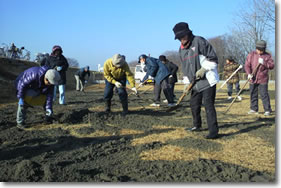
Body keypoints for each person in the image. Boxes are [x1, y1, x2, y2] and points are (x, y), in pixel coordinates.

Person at [173, 22, 220, 139]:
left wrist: (204, 69)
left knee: (208, 106)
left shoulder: (199, 41)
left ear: (188, 34)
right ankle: (196, 125)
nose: (181, 40)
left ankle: (213, 131)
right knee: (194, 104)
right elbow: (185, 67)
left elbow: (214, 59)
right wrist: (186, 82)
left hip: (208, 80)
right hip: (194, 83)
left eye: (182, 37)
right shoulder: (181, 50)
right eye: (179, 38)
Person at [244, 40, 274, 116]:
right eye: (258, 50)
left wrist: (264, 63)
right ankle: (254, 109)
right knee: (253, 93)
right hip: (253, 78)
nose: (260, 52)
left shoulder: (268, 56)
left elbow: (271, 66)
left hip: (263, 78)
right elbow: (247, 65)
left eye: (262, 50)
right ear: (256, 48)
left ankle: (267, 109)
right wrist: (249, 74)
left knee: (264, 94)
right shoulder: (251, 55)